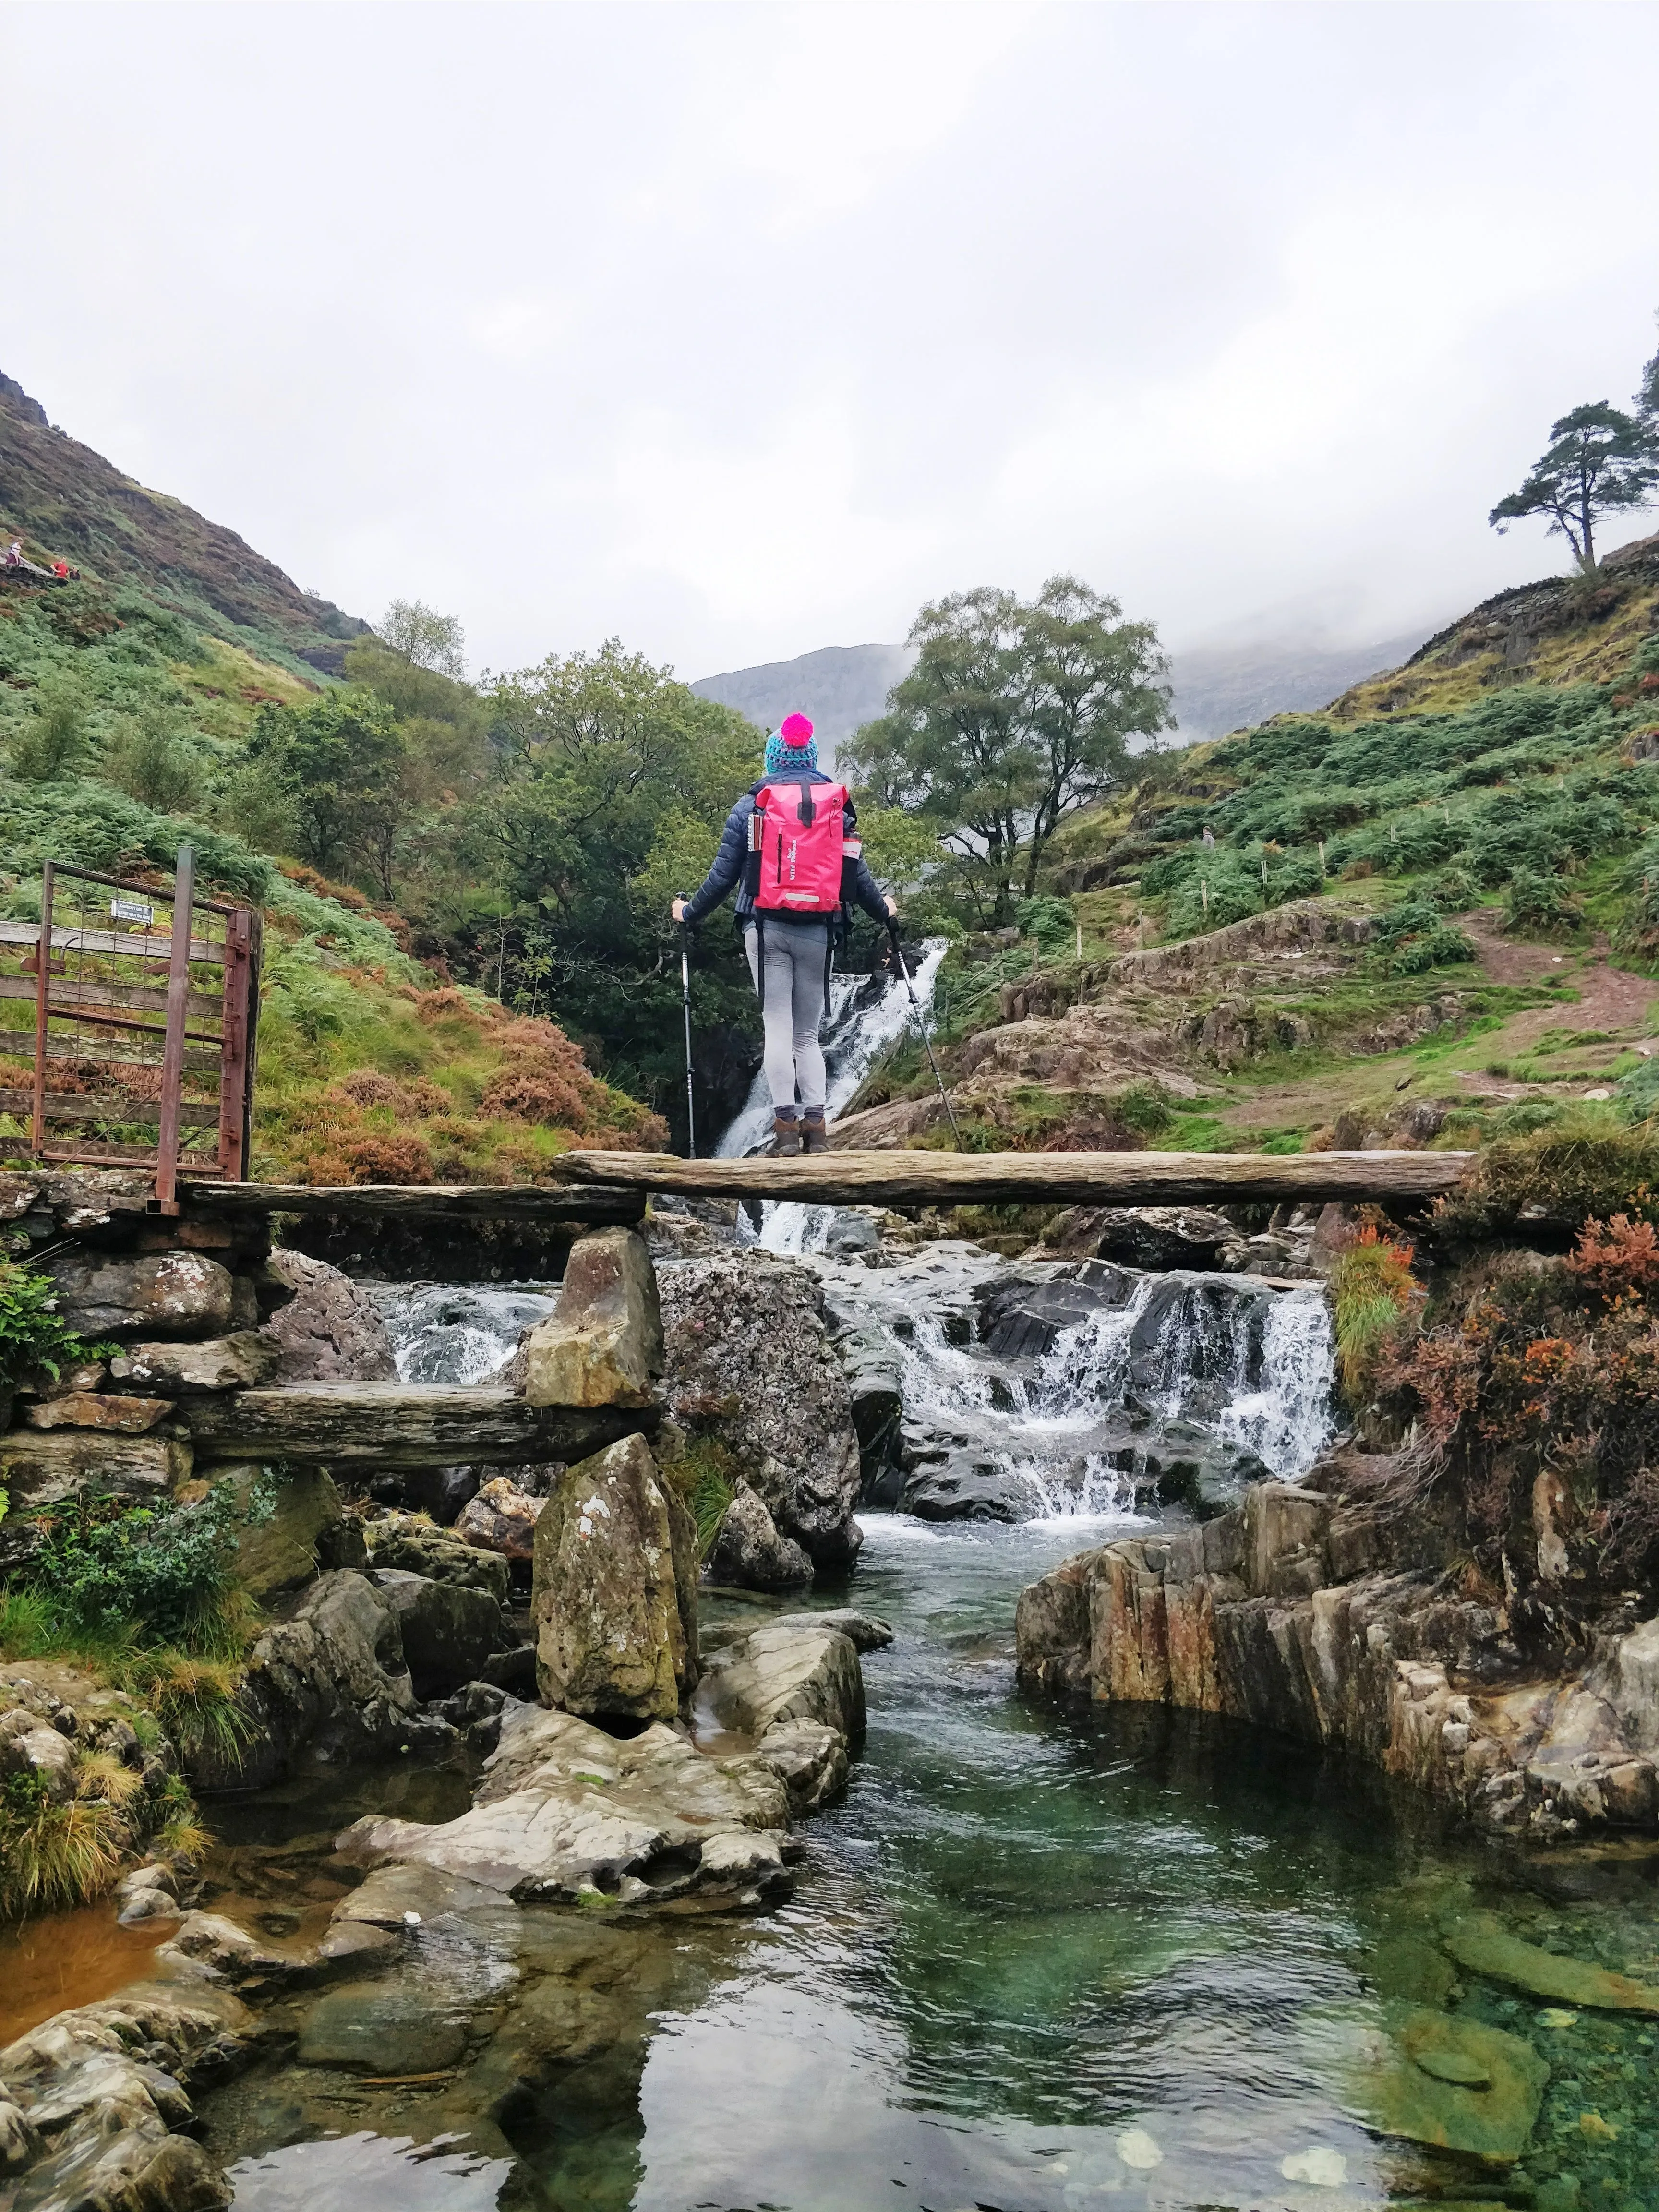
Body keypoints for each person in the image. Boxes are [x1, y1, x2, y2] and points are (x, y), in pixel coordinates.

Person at [673, 711, 896, 1156]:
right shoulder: (837, 807)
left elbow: (721, 878)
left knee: (776, 1029)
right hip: (819, 930)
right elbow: (857, 877)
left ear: (773, 759)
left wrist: (688, 913)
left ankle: (786, 1132)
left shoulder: (753, 805)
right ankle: (817, 1129)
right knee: (807, 1035)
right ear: (812, 758)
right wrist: (884, 910)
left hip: (765, 926)